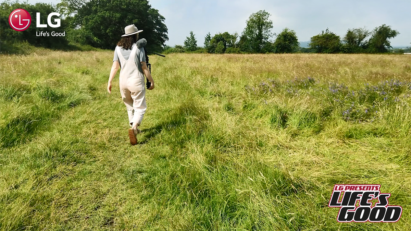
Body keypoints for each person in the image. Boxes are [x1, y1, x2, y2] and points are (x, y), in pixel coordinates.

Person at [107, 24, 155, 145]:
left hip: (123, 82)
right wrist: (151, 80)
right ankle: (134, 129)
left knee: (130, 106)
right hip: (136, 81)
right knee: (140, 107)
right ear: (135, 35)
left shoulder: (118, 48)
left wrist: (110, 81)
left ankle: (134, 128)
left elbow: (115, 66)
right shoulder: (139, 48)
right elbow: (144, 66)